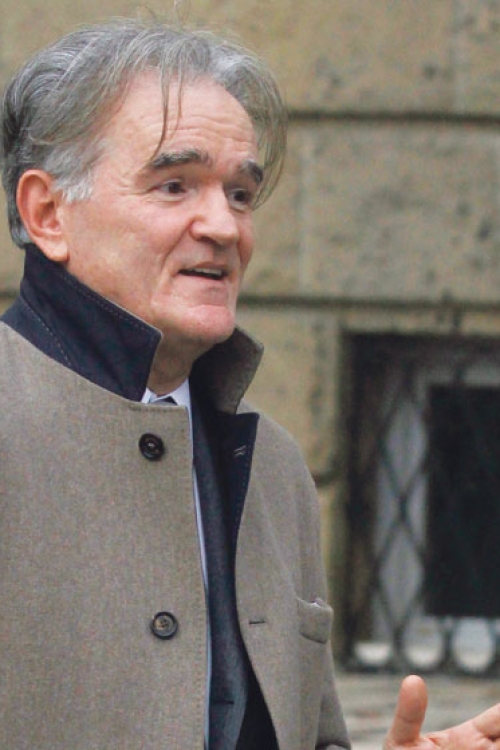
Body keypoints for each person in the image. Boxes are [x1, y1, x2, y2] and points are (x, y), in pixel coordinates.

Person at [0, 18, 498, 750]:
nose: (224, 227)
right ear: (47, 213)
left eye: (239, 194)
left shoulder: (274, 467)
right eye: (175, 185)